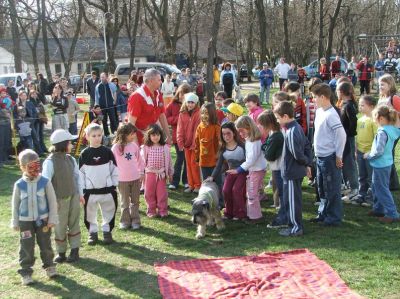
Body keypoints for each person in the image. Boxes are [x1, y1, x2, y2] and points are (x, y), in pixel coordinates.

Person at [11, 149, 58, 285]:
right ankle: (26, 272)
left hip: (43, 221)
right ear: (22, 167)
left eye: (37, 166)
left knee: (45, 244)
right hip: (25, 222)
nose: (35, 170)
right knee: (26, 246)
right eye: (30, 167)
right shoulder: (19, 185)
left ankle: (50, 266)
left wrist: (52, 218)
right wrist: (15, 222)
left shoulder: (45, 182)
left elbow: (52, 201)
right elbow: (15, 204)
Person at [42, 129, 83, 263]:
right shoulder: (50, 162)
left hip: (74, 197)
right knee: (60, 226)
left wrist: (80, 194)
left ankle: (75, 250)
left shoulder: (71, 159)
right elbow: (45, 182)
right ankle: (61, 252)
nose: (72, 146)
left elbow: (78, 177)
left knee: (74, 222)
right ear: (62, 144)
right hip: (59, 200)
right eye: (70, 143)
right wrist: (50, 201)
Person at [273, 101, 312, 236]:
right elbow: (307, 145)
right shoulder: (295, 127)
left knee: (293, 201)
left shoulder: (292, 130)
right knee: (290, 200)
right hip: (291, 171)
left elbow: (297, 154)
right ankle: (292, 225)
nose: (277, 121)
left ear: (284, 116)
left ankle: (296, 227)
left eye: (278, 118)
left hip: (292, 172)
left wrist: (306, 163)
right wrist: (307, 163)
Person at [310, 83, 346, 226]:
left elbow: (341, 135)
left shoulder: (331, 114)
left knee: (331, 188)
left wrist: (339, 155)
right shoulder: (320, 111)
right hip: (320, 156)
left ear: (323, 97)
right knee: (322, 187)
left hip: (329, 158)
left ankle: (333, 217)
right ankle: (323, 213)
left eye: (314, 97)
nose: (313, 100)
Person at [79, 123, 118, 245]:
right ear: (87, 137)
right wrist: (82, 190)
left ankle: (107, 231)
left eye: (99, 135)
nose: (97, 138)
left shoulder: (107, 152)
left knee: (109, 211)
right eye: (94, 135)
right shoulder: (84, 154)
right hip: (90, 192)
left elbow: (114, 169)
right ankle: (92, 232)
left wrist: (113, 184)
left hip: (107, 190)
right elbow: (80, 174)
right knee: (90, 213)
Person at [227, 116, 266, 223]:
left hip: (256, 170)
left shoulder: (253, 142)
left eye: (241, 131)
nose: (240, 134)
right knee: (251, 193)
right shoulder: (250, 140)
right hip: (254, 170)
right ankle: (253, 214)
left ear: (249, 127)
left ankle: (255, 217)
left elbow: (251, 160)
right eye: (238, 132)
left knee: (252, 194)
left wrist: (238, 170)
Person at [205, 122, 247, 220]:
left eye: (228, 133)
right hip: (230, 173)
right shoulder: (223, 148)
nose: (226, 136)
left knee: (236, 190)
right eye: (223, 134)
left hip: (242, 172)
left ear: (234, 133)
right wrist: (212, 176)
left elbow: (248, 161)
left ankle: (239, 213)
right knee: (226, 190)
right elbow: (218, 166)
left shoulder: (242, 146)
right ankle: (229, 212)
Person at [365, 105, 400, 223]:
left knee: (382, 189)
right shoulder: (392, 129)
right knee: (376, 186)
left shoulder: (382, 132)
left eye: (374, 118)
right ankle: (378, 208)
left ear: (380, 118)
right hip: (385, 163)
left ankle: (392, 213)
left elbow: (378, 151)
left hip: (380, 164)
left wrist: (368, 155)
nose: (373, 120)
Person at [111, 123, 144, 229]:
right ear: (124, 134)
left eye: (134, 133)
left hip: (135, 179)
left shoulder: (134, 146)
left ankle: (136, 221)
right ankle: (125, 221)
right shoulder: (115, 148)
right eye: (131, 134)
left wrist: (142, 173)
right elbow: (112, 164)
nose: (133, 136)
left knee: (135, 201)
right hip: (122, 180)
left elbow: (140, 160)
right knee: (124, 202)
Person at [127, 69, 172, 145]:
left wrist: (168, 136)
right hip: (140, 138)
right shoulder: (137, 96)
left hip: (154, 137)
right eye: (159, 80)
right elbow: (131, 123)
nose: (161, 82)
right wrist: (135, 146)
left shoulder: (158, 94)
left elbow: (162, 116)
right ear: (151, 81)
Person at [258, 110, 286, 228]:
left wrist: (265, 149)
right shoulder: (273, 133)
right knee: (281, 192)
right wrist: (265, 147)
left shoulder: (277, 136)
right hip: (277, 167)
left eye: (262, 125)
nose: (260, 127)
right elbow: (265, 146)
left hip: (279, 167)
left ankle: (284, 218)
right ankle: (284, 215)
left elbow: (269, 154)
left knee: (283, 193)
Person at [141, 124, 173, 218]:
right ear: (149, 136)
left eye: (158, 135)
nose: (156, 137)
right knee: (149, 192)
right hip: (149, 173)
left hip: (162, 174)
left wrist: (170, 173)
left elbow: (169, 162)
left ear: (161, 135)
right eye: (153, 135)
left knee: (162, 193)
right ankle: (151, 210)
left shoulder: (165, 147)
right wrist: (141, 173)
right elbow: (142, 162)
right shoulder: (146, 147)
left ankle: (162, 210)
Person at [336, 82, 359, 202]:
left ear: (341, 92)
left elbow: (353, 122)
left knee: (349, 162)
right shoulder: (343, 104)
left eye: (337, 90)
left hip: (348, 138)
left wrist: (347, 134)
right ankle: (347, 186)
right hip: (343, 138)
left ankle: (355, 188)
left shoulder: (349, 105)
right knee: (344, 161)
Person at [353, 95, 377, 207]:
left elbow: (377, 138)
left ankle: (371, 198)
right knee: (361, 175)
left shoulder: (374, 121)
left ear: (371, 106)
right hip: (360, 152)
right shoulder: (360, 119)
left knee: (370, 176)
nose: (360, 107)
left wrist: (371, 152)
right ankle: (361, 194)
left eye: (363, 105)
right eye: (359, 105)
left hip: (369, 153)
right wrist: (356, 150)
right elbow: (357, 136)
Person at [166, 85, 190, 190]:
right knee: (180, 158)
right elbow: (166, 118)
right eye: (181, 93)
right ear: (178, 93)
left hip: (189, 137)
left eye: (185, 94)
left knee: (187, 159)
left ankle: (186, 180)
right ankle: (175, 181)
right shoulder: (172, 104)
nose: (182, 96)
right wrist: (179, 119)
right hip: (177, 136)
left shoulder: (191, 104)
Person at [177, 92, 201, 193]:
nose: (190, 104)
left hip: (195, 144)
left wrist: (194, 144)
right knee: (188, 165)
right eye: (188, 102)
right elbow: (180, 128)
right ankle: (191, 184)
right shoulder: (182, 114)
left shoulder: (198, 114)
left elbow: (197, 129)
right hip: (186, 144)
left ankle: (198, 185)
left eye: (192, 102)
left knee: (194, 164)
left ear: (196, 103)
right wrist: (180, 142)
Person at [195, 103, 221, 182]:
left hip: (215, 161)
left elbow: (221, 142)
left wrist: (218, 154)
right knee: (205, 183)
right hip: (203, 161)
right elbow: (197, 143)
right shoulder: (200, 127)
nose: (204, 115)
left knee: (217, 183)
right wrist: (197, 157)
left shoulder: (216, 127)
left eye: (206, 113)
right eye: (202, 113)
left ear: (212, 114)